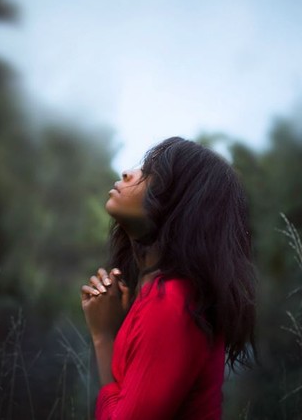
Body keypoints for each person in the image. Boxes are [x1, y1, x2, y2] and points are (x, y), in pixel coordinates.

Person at [80, 137, 257, 419]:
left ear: (183, 205)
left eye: (153, 175)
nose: (128, 173)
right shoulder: (166, 296)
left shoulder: (173, 303)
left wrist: (104, 336)